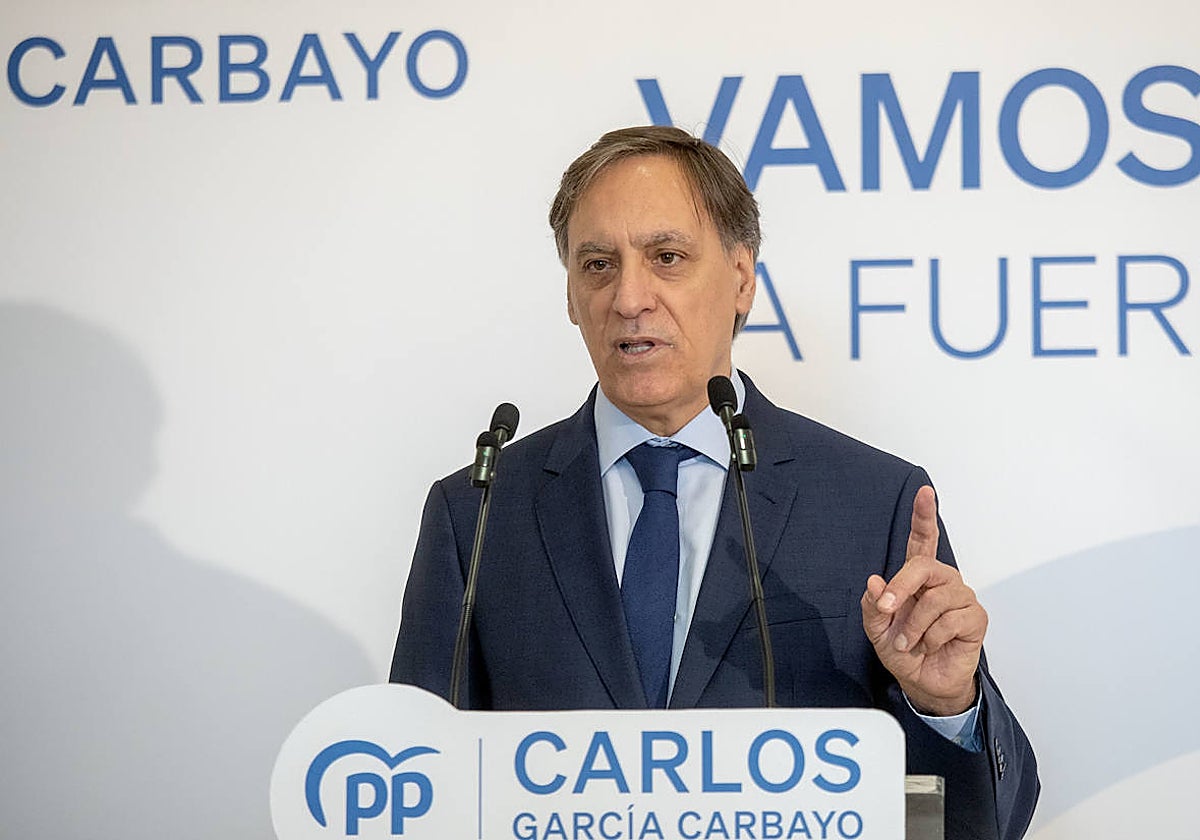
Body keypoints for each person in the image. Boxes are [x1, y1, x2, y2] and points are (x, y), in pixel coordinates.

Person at [391, 126, 1039, 840]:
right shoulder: (478, 514)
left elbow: (982, 824)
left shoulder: (872, 502)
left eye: (666, 258)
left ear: (741, 278)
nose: (629, 297)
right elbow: (413, 795)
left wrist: (944, 707)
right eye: (598, 264)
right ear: (572, 295)